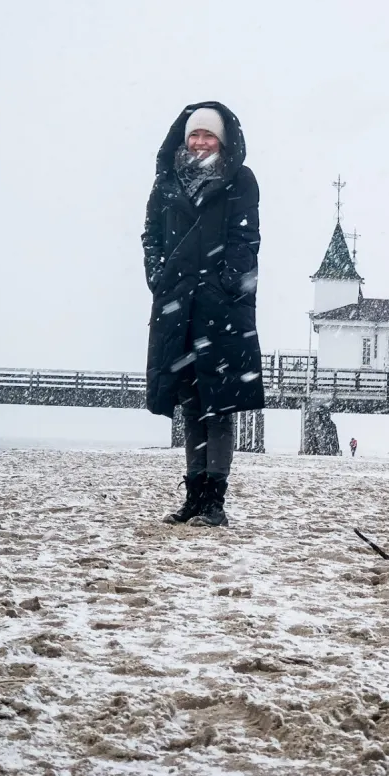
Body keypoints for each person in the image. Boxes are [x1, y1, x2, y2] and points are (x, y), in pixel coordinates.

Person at [142, 102, 263, 527]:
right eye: (194, 135)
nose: (200, 142)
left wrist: (226, 285)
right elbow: (151, 235)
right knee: (191, 405)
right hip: (178, 306)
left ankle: (215, 500)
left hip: (220, 307)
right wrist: (158, 277)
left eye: (208, 135)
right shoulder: (167, 181)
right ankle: (193, 495)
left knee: (220, 406)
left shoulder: (240, 180)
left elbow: (246, 238)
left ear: (222, 139)